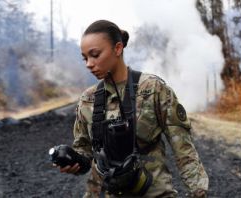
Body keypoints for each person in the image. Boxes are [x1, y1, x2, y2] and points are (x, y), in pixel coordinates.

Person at [55, 20, 208, 197]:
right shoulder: (88, 100)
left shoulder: (152, 89)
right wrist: (74, 163)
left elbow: (183, 148)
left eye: (95, 55)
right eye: (85, 58)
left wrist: (198, 192)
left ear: (118, 49)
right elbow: (85, 150)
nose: (88, 64)